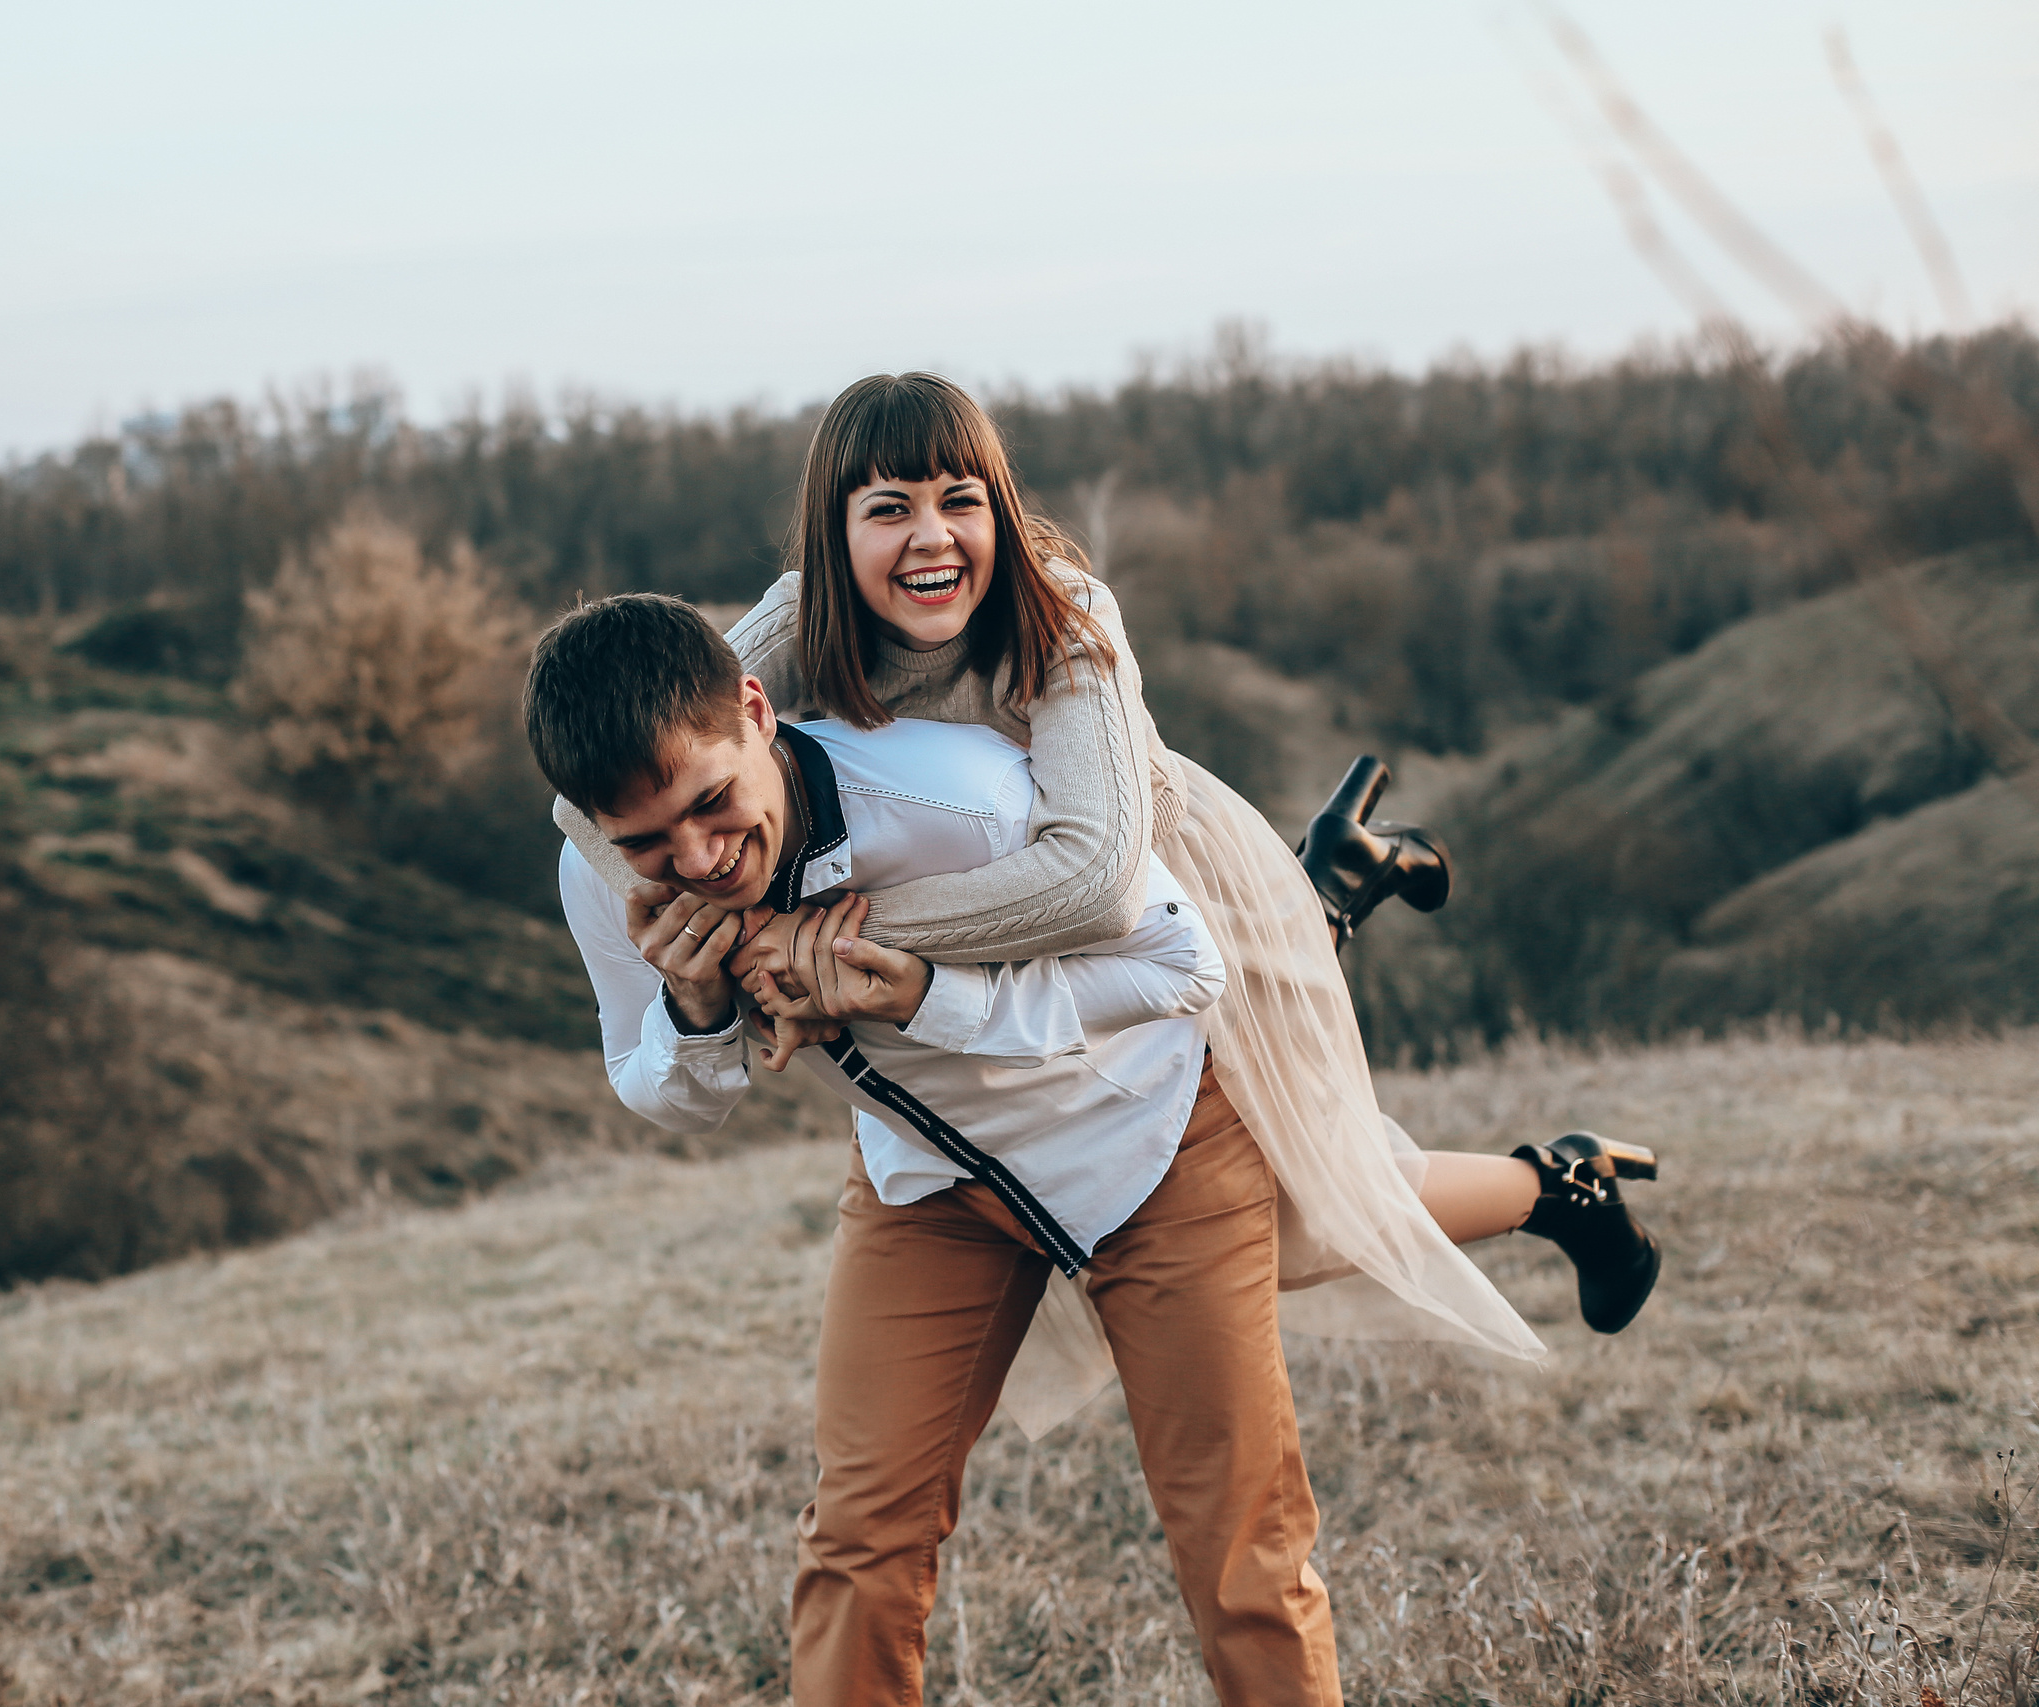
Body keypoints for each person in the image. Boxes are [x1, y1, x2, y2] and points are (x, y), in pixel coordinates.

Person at [555, 371, 1662, 1346]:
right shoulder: (795, 624)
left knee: (1322, 1204)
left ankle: (1551, 1177)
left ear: (1000, 506)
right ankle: (1338, 882)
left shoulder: (1065, 613)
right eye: (887, 510)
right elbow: (590, 800)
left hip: (1173, 880)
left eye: (959, 500)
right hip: (1042, 929)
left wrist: (817, 942)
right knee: (1277, 1223)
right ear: (830, 535)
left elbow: (1094, 887)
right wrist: (734, 946)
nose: (929, 538)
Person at [528, 593, 1341, 1705]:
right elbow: (661, 1091)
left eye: (712, 804)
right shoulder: (603, 881)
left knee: (1235, 1540)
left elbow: (1179, 966)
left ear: (755, 711)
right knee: (858, 1540)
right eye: (649, 843)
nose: (702, 859)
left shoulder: (956, 793)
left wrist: (926, 995)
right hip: (929, 1184)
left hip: (1149, 1143)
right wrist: (698, 1004)